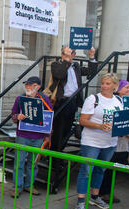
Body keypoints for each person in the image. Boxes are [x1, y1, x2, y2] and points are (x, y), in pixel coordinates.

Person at [49, 46, 97, 191]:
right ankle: (54, 160)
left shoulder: (76, 67)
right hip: (61, 102)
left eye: (72, 54)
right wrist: (66, 61)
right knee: (58, 132)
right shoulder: (57, 64)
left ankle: (58, 156)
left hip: (72, 102)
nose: (70, 56)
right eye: (67, 54)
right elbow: (59, 75)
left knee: (65, 132)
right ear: (62, 54)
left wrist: (92, 58)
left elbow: (91, 73)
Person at [75, 73, 123, 209]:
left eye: (108, 84)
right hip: (92, 142)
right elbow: (82, 120)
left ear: (115, 86)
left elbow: (121, 119)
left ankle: (95, 197)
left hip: (110, 142)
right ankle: (80, 201)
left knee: (100, 170)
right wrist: (99, 126)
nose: (104, 86)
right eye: (103, 83)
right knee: (85, 171)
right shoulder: (93, 99)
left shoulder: (119, 100)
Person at [10, 76, 53, 198]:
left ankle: (29, 185)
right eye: (26, 85)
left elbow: (49, 117)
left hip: (38, 136)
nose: (27, 87)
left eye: (30, 85)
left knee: (33, 163)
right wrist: (17, 117)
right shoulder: (20, 99)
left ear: (38, 87)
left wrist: (48, 135)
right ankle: (17, 187)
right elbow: (13, 114)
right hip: (23, 135)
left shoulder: (44, 100)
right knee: (19, 162)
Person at [99, 79, 129, 203]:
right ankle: (103, 192)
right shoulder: (115, 102)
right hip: (116, 141)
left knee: (116, 167)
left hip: (125, 142)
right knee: (109, 167)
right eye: (127, 87)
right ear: (118, 89)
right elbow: (119, 122)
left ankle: (107, 191)